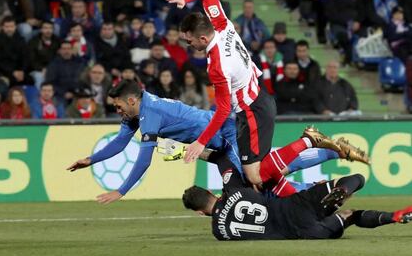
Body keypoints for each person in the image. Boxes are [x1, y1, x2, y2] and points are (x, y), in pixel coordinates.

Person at [67, 80, 367, 203]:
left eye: (118, 105)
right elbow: (120, 143)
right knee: (262, 173)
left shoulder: (150, 113)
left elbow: (144, 159)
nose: (116, 110)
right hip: (215, 139)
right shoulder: (137, 112)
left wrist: (121, 191)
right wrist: (91, 160)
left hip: (225, 132)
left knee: (260, 180)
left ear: (131, 99)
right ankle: (330, 153)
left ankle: (312, 183)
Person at [166, 0, 276, 187]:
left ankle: (308, 145)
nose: (189, 46)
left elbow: (224, 109)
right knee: (259, 173)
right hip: (258, 99)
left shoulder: (217, 66)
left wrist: (200, 142)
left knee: (254, 176)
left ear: (202, 38)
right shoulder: (221, 24)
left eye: (190, 41)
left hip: (252, 112)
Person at [182, 173, 412, 240]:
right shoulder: (238, 191)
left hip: (302, 231)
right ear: (210, 192)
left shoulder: (218, 232)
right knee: (356, 179)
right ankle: (342, 192)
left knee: (350, 216)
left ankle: (392, 217)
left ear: (200, 212)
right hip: (296, 204)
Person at [325, 0, 364, 64]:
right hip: (338, 24)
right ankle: (349, 58)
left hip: (355, 24)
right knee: (343, 36)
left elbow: (362, 11)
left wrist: (358, 21)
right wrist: (348, 23)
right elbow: (331, 15)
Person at [0, 16, 32, 87]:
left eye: (11, 26)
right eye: (7, 27)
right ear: (2, 27)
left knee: (30, 80)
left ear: (15, 27)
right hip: (4, 72)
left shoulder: (21, 39)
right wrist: (12, 72)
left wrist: (22, 71)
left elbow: (26, 57)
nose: (9, 29)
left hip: (20, 71)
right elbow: (0, 62)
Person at [27, 21, 61, 89]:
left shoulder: (58, 41)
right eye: (45, 28)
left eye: (50, 28)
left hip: (52, 68)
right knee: (40, 77)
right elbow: (31, 60)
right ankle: (39, 98)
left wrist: (50, 69)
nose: (48, 30)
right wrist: (41, 69)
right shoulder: (33, 42)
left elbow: (58, 58)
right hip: (36, 70)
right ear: (41, 30)